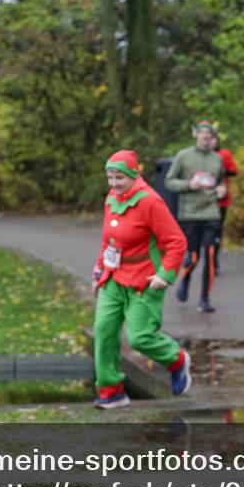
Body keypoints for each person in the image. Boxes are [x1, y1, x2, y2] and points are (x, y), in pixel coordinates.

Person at [91, 150, 192, 409]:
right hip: (113, 279)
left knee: (139, 337)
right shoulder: (111, 199)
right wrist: (98, 271)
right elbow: (108, 242)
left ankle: (176, 359)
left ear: (133, 175)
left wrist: (165, 274)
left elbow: (176, 242)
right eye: (110, 178)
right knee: (103, 331)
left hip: (144, 280)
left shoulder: (150, 201)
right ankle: (111, 390)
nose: (114, 184)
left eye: (119, 178)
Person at [164, 120, 225, 312]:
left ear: (212, 137)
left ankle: (205, 299)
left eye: (209, 133)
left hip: (212, 213)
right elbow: (169, 182)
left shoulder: (217, 159)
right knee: (194, 256)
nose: (206, 136)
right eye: (202, 133)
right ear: (196, 135)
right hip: (189, 214)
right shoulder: (183, 156)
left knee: (210, 254)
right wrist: (189, 185)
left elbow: (220, 183)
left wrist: (222, 190)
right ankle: (185, 278)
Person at [212, 129, 238, 273]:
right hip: (203, 201)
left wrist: (220, 171)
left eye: (213, 138)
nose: (211, 141)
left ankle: (214, 259)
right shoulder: (200, 156)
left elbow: (234, 171)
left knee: (216, 231)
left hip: (221, 200)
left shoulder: (224, 154)